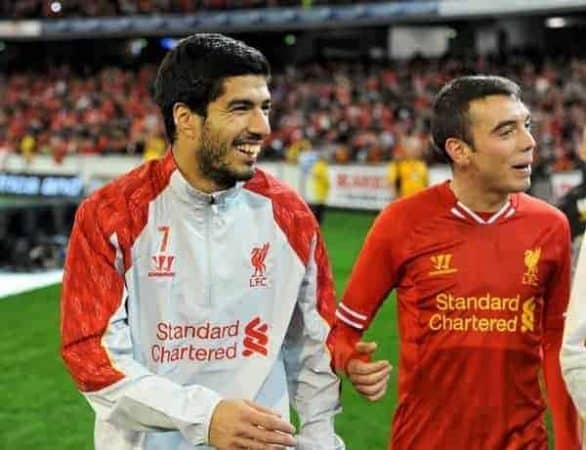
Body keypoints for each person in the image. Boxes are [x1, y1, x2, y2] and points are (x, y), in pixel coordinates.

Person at [60, 33, 342, 450]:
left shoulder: (291, 215)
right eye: (240, 108)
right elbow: (91, 357)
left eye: (265, 108)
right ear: (185, 117)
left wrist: (320, 436)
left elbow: (315, 345)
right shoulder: (111, 214)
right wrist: (205, 417)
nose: (262, 128)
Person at [328, 75, 581, 449]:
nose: (529, 142)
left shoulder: (551, 227)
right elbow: (341, 334)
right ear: (460, 151)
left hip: (522, 441)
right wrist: (351, 360)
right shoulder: (401, 224)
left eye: (526, 126)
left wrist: (569, 443)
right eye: (506, 131)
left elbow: (554, 341)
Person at [308, 151, 330, 225]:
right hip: (320, 189)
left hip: (319, 189)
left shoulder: (318, 166)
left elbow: (316, 175)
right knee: (319, 207)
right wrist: (327, 184)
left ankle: (316, 221)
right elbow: (323, 177)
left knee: (319, 206)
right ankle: (317, 221)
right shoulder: (321, 166)